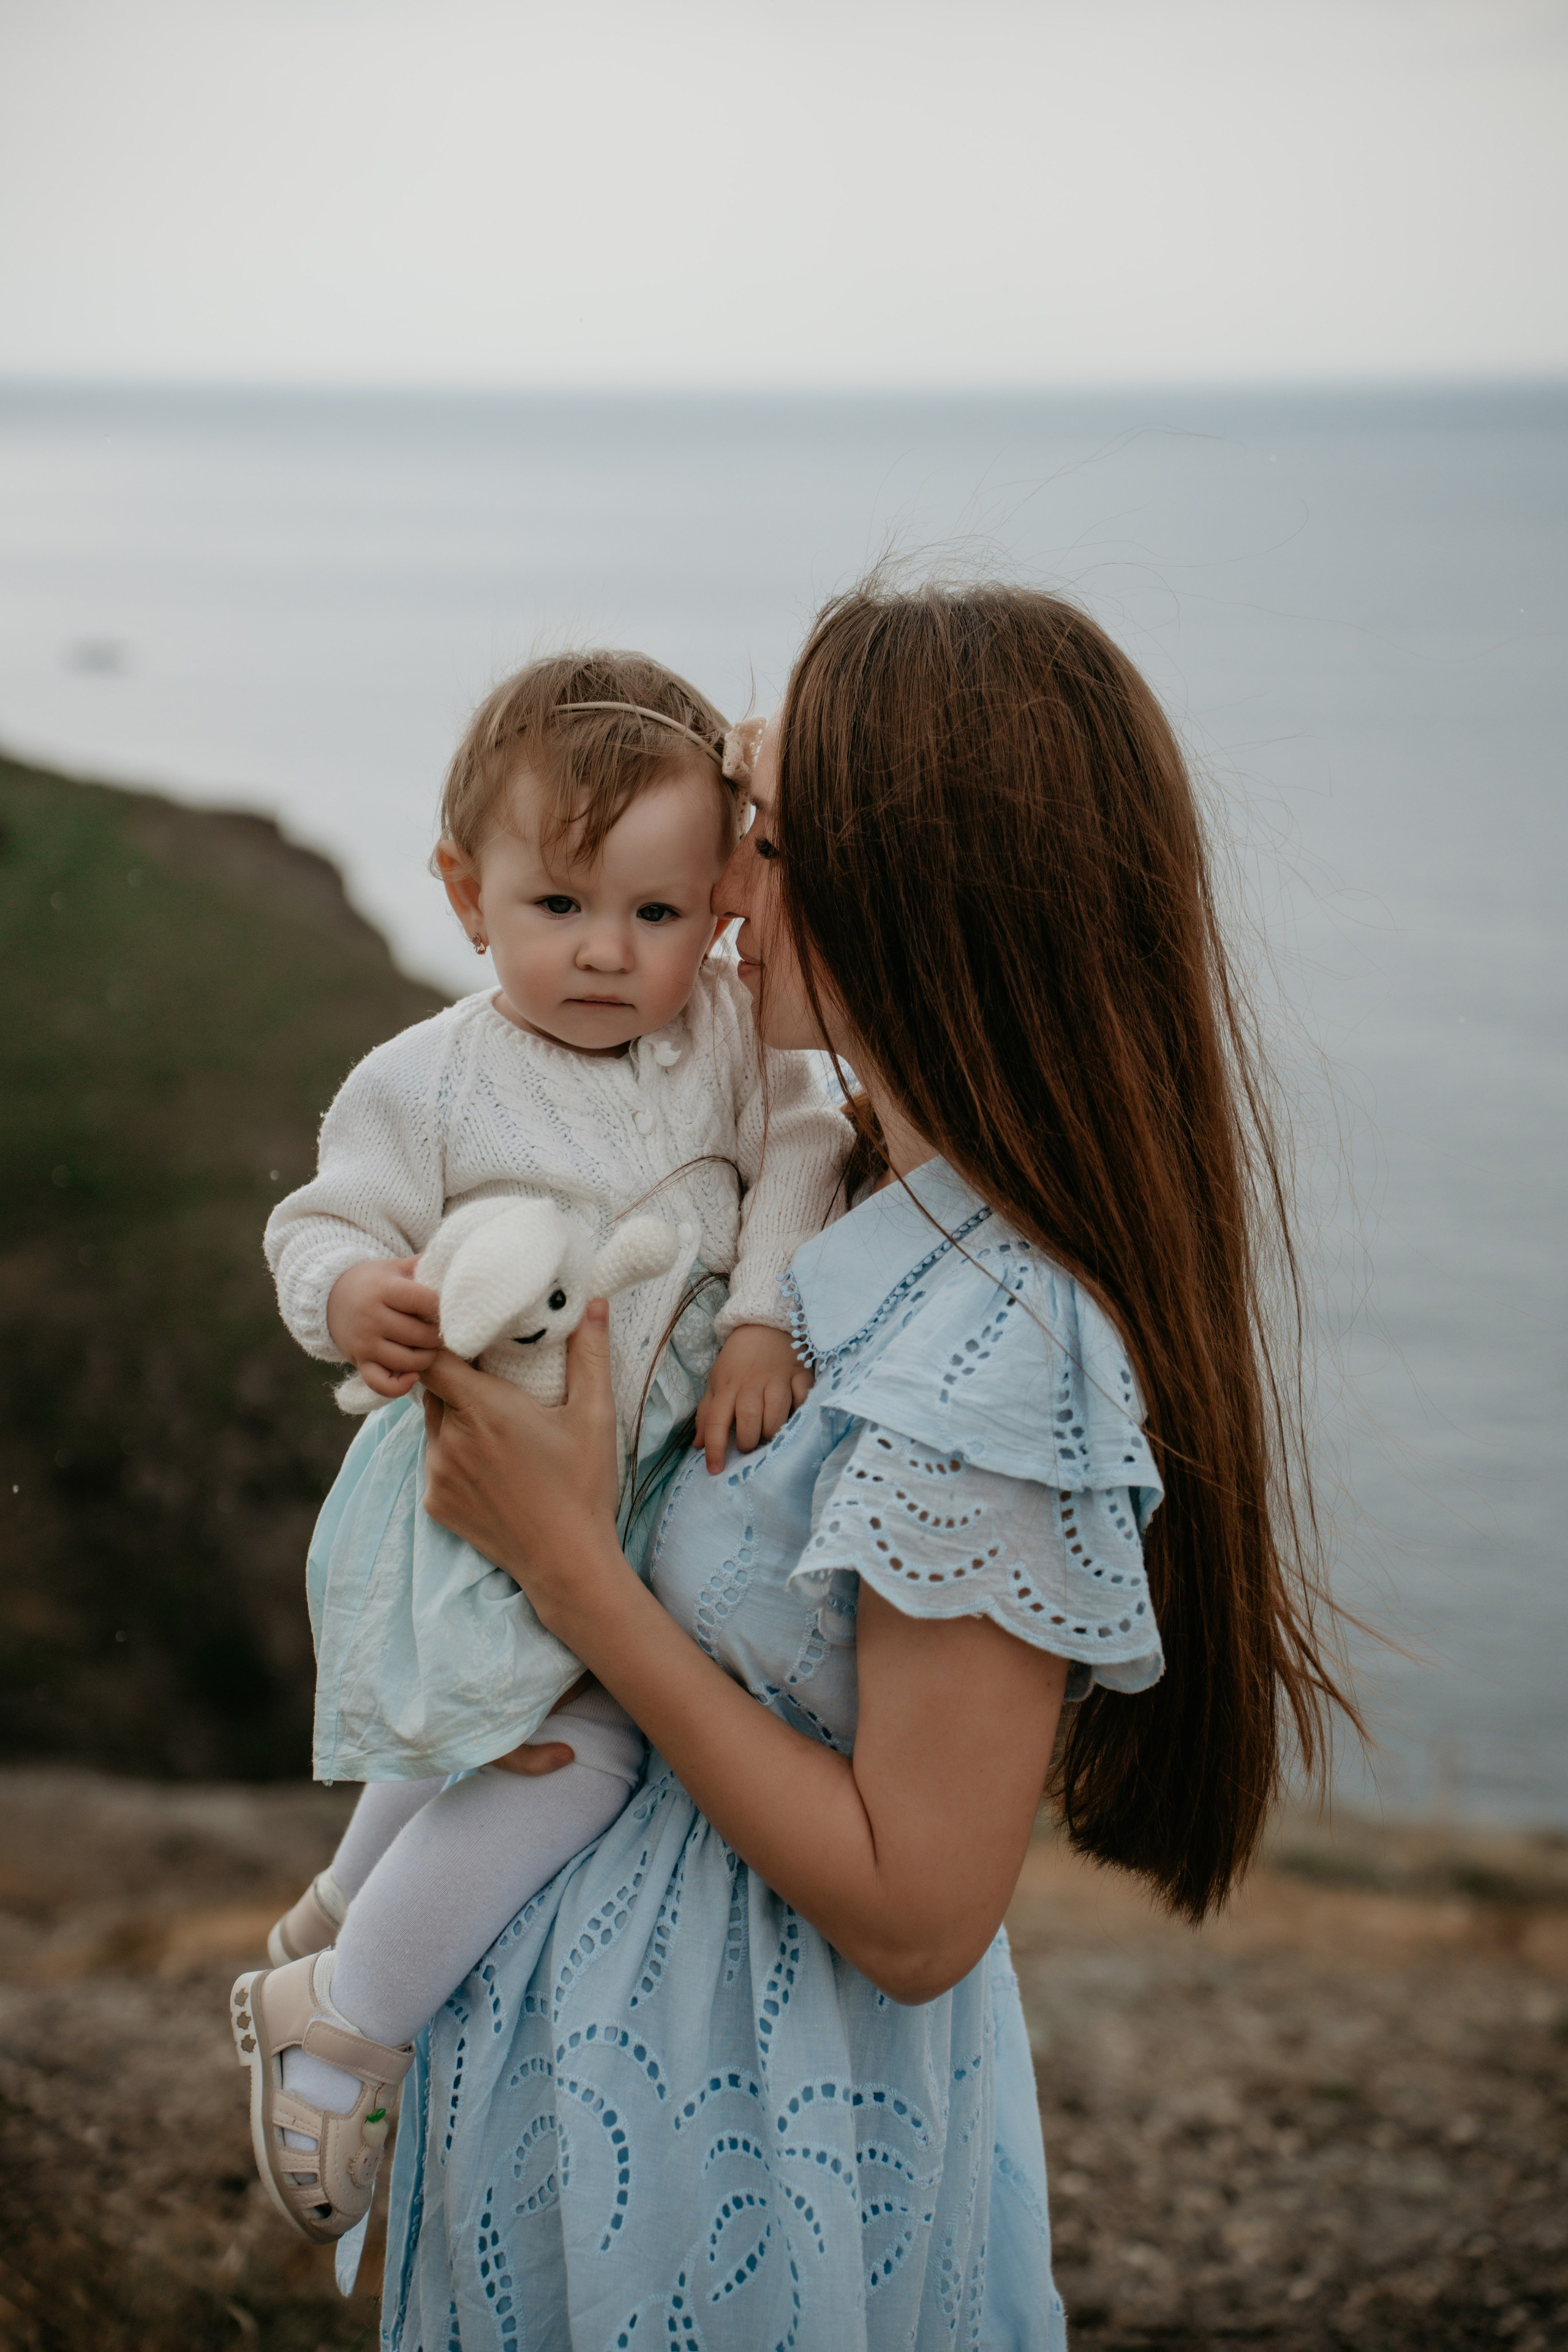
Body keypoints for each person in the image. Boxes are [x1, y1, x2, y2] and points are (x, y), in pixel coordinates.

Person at [393, 581, 1351, 2348]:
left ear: (920, 898)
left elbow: (920, 1910)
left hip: (756, 2149)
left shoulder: (1009, 1349)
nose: (728, 889)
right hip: (604, 2109)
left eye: (766, 826)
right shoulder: (833, 1189)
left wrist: (575, 1575)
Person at [232, 652, 852, 2245]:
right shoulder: (426, 1078)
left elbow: (807, 1143)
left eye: (657, 914)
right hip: (482, 1477)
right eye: (561, 905)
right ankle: (344, 2019)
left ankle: (338, 1913)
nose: (606, 953)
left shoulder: (730, 1040)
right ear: (465, 892)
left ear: (720, 899)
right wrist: (355, 1293)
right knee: (571, 1747)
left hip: (637, 1479)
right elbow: (321, 1223)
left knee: (486, 1726)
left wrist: (769, 1317)